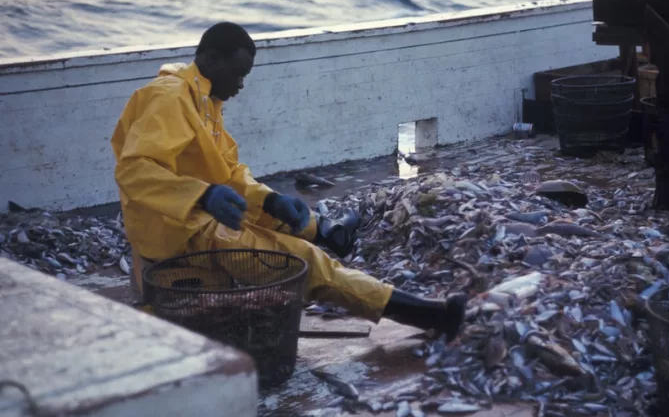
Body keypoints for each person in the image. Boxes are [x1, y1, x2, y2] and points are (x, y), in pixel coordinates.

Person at [110, 21, 466, 342]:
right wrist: (201, 195)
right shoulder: (170, 98)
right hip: (181, 232)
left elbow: (229, 174)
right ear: (212, 59)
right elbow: (134, 170)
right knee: (306, 262)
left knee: (277, 214)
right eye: (238, 74)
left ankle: (322, 228)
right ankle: (428, 315)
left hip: (198, 215)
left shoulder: (203, 100)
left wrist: (270, 201)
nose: (241, 84)